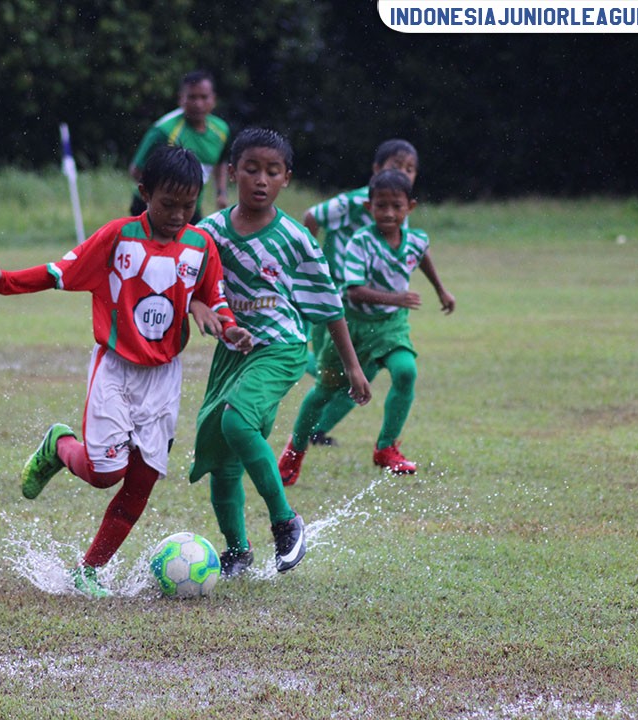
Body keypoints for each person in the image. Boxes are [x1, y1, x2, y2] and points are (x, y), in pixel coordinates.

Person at [0, 146, 252, 597]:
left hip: (164, 378)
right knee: (105, 473)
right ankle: (59, 445)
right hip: (116, 369)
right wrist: (3, 281)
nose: (180, 214)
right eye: (168, 203)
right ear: (144, 193)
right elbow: (59, 271)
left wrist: (229, 327)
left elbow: (213, 295)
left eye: (188, 205)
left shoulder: (202, 245)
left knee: (140, 483)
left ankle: (89, 571)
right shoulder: (118, 237)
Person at [187, 128, 371, 578]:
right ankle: (237, 552)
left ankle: (286, 523)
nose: (261, 180)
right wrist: (197, 306)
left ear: (286, 178)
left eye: (273, 171)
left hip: (282, 347)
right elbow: (184, 284)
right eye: (251, 169)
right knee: (221, 458)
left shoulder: (295, 238)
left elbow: (329, 304)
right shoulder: (207, 233)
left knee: (235, 419)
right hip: (233, 354)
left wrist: (351, 365)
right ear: (232, 173)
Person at [279, 169, 454, 485]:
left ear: (409, 208)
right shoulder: (360, 242)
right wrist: (397, 297)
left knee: (406, 372)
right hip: (351, 326)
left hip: (390, 326)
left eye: (396, 206)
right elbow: (353, 291)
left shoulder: (415, 239)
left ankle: (386, 448)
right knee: (324, 391)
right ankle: (294, 452)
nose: (389, 213)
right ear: (368, 208)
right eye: (381, 206)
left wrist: (441, 290)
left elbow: (422, 255)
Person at [303, 139, 424, 446]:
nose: (404, 174)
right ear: (376, 170)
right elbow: (312, 216)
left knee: (362, 373)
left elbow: (416, 248)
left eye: (410, 169)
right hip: (334, 297)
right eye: (396, 166)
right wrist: (310, 266)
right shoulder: (357, 201)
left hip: (373, 308)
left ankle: (319, 430)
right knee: (332, 371)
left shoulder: (399, 206)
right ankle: (294, 361)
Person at [128, 70, 230, 223]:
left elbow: (221, 161)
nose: (198, 104)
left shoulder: (221, 130)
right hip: (151, 208)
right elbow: (136, 170)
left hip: (190, 207)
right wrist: (161, 199)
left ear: (213, 99)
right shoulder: (164, 131)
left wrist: (221, 193)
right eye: (192, 97)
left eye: (204, 97)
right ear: (181, 99)